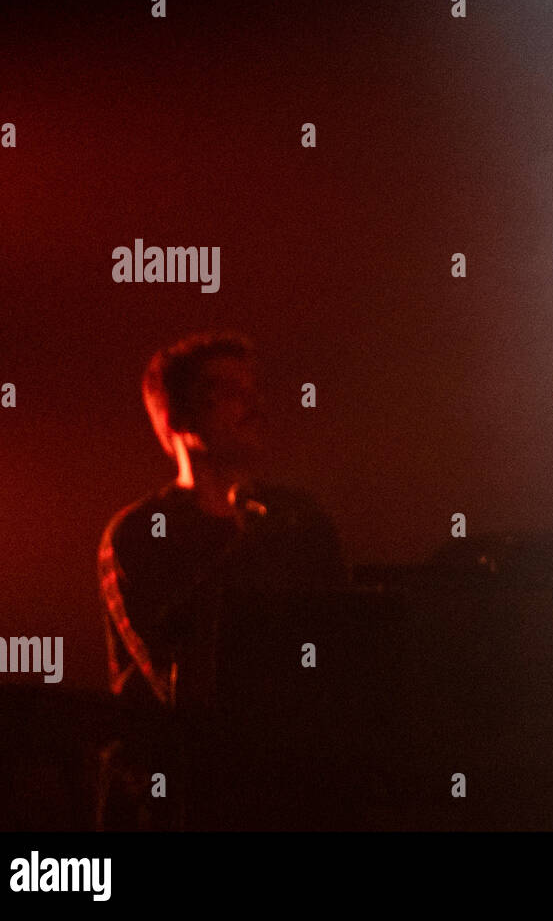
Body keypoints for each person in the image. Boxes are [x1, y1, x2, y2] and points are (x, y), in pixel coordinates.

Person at [96, 331, 344, 829]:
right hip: (189, 795)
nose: (252, 402)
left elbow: (344, 647)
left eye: (253, 389)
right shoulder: (142, 532)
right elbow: (173, 678)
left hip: (299, 791)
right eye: (227, 390)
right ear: (178, 416)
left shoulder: (299, 518)